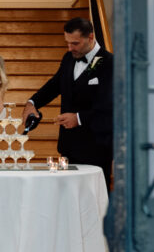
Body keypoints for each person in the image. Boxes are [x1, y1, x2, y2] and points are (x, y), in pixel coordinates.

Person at [22, 16, 113, 188]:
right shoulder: (68, 58)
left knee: (95, 201)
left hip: (97, 149)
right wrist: (32, 102)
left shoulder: (110, 63)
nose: (70, 47)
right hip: (68, 146)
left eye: (75, 43)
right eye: (67, 42)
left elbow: (110, 108)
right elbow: (55, 85)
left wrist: (78, 118)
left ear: (91, 37)